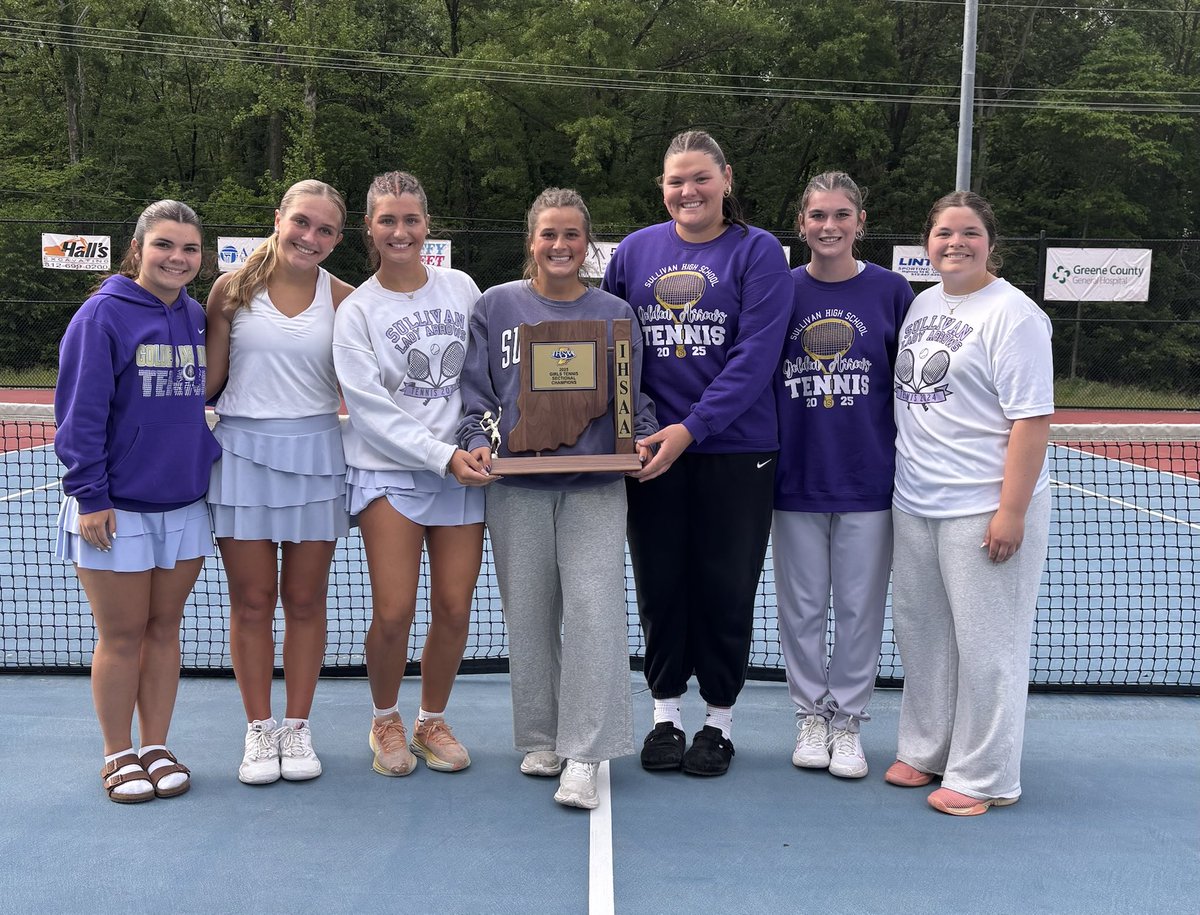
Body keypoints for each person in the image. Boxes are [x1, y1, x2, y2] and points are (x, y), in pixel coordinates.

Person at [457, 187, 657, 809]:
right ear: (531, 240)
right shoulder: (495, 307)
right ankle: (543, 737)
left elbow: (634, 400)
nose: (560, 246)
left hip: (595, 488)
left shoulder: (616, 312)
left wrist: (644, 439)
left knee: (597, 615)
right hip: (516, 489)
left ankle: (587, 751)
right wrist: (477, 442)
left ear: (587, 242)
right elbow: (477, 399)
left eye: (572, 234)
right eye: (549, 234)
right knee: (531, 616)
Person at [602, 130, 791, 776]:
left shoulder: (759, 253)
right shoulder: (633, 252)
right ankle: (665, 716)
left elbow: (755, 359)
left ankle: (718, 721)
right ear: (662, 187)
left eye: (700, 178)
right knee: (660, 585)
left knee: (726, 586)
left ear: (726, 179)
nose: (688, 191)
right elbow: (614, 348)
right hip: (652, 451)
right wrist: (645, 431)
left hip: (737, 452)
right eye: (676, 180)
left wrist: (691, 430)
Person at [887, 191, 1053, 816]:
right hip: (915, 501)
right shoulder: (923, 303)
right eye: (943, 233)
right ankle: (928, 748)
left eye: (969, 232)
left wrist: (1010, 512)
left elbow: (1031, 421)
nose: (955, 243)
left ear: (991, 241)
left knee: (989, 645)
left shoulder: (1015, 315)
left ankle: (985, 775)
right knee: (925, 635)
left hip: (983, 507)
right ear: (926, 243)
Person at [54, 200, 221, 803]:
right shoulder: (100, 317)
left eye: (190, 248)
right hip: (114, 510)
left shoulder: (198, 316)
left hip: (181, 508)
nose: (178, 258)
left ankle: (156, 744)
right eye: (164, 245)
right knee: (121, 636)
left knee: (163, 630)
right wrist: (91, 495)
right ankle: (117, 753)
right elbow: (80, 416)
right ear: (138, 249)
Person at [333, 171, 488, 777]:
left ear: (428, 225)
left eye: (412, 220)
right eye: (387, 220)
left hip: (463, 473)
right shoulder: (357, 312)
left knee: (454, 607)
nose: (401, 231)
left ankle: (431, 719)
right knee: (393, 610)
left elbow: (483, 378)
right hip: (389, 474)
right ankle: (385, 718)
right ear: (369, 227)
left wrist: (474, 444)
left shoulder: (462, 287)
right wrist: (440, 454)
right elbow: (369, 411)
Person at [205, 179, 354, 785]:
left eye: (324, 230)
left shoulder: (346, 298)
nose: (310, 238)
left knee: (305, 602)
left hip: (319, 455)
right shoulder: (229, 290)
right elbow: (209, 382)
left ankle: (297, 727)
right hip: (240, 456)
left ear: (338, 239)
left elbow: (368, 387)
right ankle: (259, 731)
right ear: (278, 219)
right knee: (252, 602)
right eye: (301, 223)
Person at [772, 172, 913, 778]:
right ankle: (810, 715)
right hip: (794, 479)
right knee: (801, 607)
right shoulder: (778, 290)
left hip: (869, 482)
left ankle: (848, 720)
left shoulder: (893, 291)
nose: (829, 226)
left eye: (841, 215)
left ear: (860, 221)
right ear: (801, 223)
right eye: (817, 215)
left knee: (859, 607)